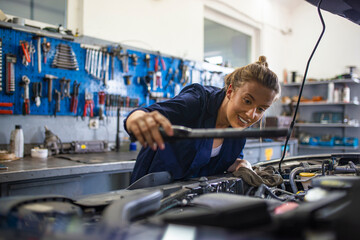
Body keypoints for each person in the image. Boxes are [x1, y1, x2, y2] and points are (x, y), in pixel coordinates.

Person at [124, 56, 281, 183]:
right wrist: (138, 119)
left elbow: (223, 159)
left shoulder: (238, 130)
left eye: (260, 109)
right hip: (151, 193)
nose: (250, 114)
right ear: (231, 91)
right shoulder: (197, 101)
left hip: (191, 202)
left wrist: (241, 164)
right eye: (247, 101)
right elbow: (142, 113)